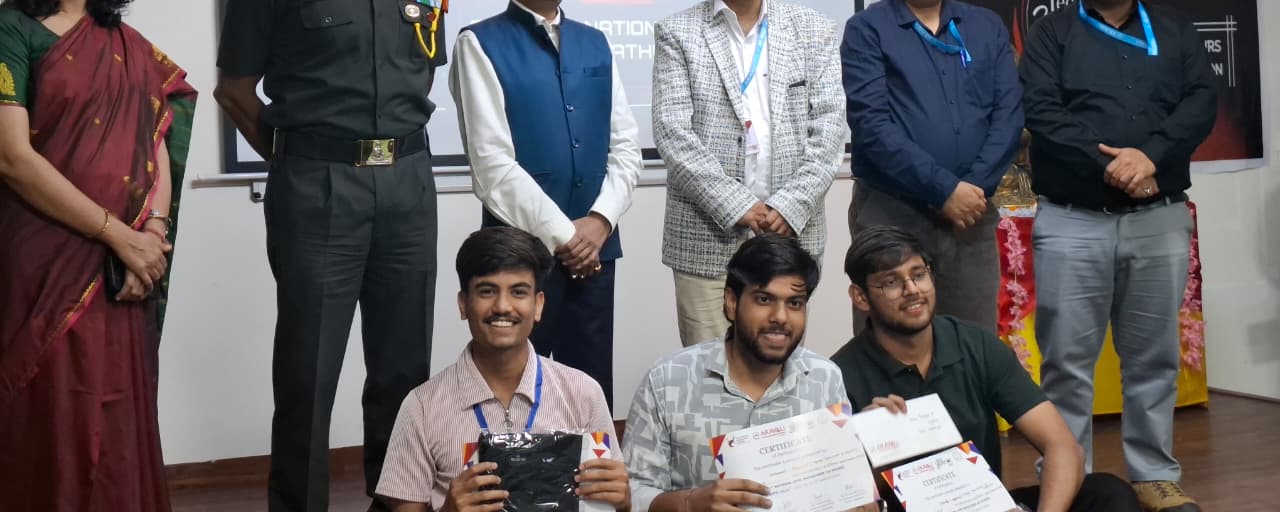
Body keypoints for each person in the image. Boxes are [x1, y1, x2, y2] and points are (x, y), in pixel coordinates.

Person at [214, 0, 447, 511]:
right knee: (308, 371)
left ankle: (397, 502)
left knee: (404, 368)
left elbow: (420, 72)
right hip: (317, 187)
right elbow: (235, 90)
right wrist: (301, 159)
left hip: (408, 184)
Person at [0, 0, 197, 511]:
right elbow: (12, 157)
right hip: (43, 259)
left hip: (124, 267)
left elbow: (159, 134)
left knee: (116, 411)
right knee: (49, 408)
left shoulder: (128, 45)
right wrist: (120, 236)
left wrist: (153, 234)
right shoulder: (11, 31)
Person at [1019, 0, 1216, 512]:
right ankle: (1069, 479)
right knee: (1067, 364)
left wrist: (1149, 157)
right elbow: (1042, 112)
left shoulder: (1176, 30)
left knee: (1153, 357)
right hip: (1073, 220)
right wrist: (1111, 164)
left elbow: (1200, 102)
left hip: (1158, 218)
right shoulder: (1050, 35)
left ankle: (1154, 473)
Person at [449, 0, 641, 408]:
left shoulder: (595, 42)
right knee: (514, 391)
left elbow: (625, 147)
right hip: (518, 256)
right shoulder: (479, 43)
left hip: (597, 254)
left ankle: (589, 465)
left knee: (588, 389)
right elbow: (492, 165)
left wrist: (599, 222)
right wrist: (566, 236)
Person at [832, 227, 1140, 512]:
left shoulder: (974, 344)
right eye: (891, 282)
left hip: (985, 505)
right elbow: (843, 499)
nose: (912, 289)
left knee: (1108, 494)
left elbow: (1062, 447)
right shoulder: (837, 376)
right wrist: (866, 446)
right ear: (861, 297)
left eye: (919, 274)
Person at [652, 0, 845, 346]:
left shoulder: (813, 29)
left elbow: (831, 128)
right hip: (707, 234)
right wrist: (738, 205)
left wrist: (789, 206)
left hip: (790, 229)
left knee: (780, 359)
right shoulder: (677, 32)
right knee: (709, 367)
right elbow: (672, 132)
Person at [842, 0, 1023, 334]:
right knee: (889, 342)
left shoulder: (985, 26)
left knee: (971, 342)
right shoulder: (867, 30)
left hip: (971, 216)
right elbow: (873, 127)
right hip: (892, 212)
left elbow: (1009, 115)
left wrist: (972, 189)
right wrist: (945, 191)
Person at [376, 227, 631, 512]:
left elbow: (611, 503)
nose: (502, 306)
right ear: (463, 304)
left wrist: (623, 502)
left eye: (518, 292)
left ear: (538, 305)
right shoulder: (422, 407)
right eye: (487, 291)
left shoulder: (583, 393)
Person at [623, 234, 874, 512]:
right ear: (732, 302)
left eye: (795, 303)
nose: (780, 317)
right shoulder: (668, 380)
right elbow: (632, 491)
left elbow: (843, 483)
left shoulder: (824, 378)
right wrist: (690, 503)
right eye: (764, 299)